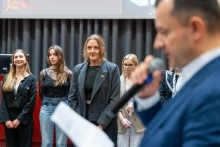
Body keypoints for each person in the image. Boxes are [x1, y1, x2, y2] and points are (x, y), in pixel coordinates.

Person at [130, 0, 220, 146]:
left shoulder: (214, 92)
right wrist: (149, 98)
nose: (157, 43)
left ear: (195, 28)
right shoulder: (202, 75)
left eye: (164, 32)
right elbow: (173, 133)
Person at [68, 34, 120, 146]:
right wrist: (80, 122)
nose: (92, 51)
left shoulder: (112, 69)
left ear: (102, 49)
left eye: (96, 47)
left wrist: (101, 125)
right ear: (85, 50)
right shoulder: (78, 69)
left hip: (105, 121)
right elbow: (72, 99)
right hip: (83, 119)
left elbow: (115, 101)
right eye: (89, 48)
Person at [0, 49, 36, 147]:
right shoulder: (7, 77)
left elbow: (31, 102)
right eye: (16, 57)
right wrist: (6, 120)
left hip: (24, 119)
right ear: (13, 61)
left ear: (25, 60)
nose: (18, 59)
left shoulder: (31, 79)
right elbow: (3, 101)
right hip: (9, 120)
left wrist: (19, 120)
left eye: (21, 57)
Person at [39, 45, 72, 147]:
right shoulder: (43, 73)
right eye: (50, 55)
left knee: (61, 143)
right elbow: (41, 92)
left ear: (60, 56)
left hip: (63, 106)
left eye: (55, 55)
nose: (52, 57)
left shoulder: (68, 73)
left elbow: (71, 93)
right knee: (46, 142)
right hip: (46, 106)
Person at [117, 54, 145, 147]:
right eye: (125, 64)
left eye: (130, 65)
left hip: (138, 118)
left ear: (136, 65)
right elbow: (114, 102)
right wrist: (121, 118)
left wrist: (134, 104)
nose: (127, 67)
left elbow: (146, 98)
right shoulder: (118, 80)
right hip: (122, 118)